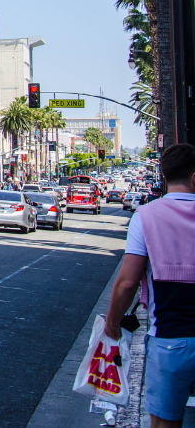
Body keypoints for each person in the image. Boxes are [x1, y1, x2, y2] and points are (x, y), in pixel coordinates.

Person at [105, 143, 195, 428]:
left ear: (165, 176)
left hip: (170, 340)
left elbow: (128, 282)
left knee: (164, 424)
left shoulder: (145, 216)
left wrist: (112, 323)